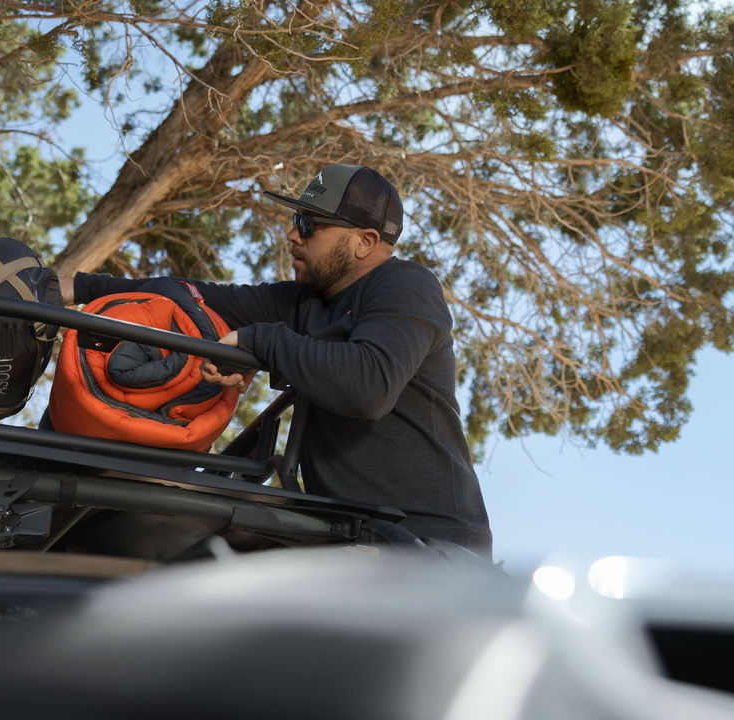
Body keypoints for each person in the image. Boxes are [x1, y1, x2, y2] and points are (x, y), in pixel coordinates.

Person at [61, 164, 492, 559]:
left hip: (431, 546)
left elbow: (367, 386)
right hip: (352, 535)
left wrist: (259, 343)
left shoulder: (404, 285)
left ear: (366, 242)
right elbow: (185, 292)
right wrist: (72, 288)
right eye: (295, 221)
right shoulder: (301, 302)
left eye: (309, 224)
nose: (292, 235)